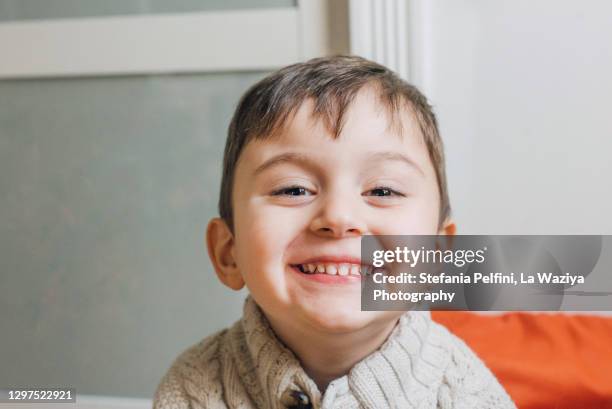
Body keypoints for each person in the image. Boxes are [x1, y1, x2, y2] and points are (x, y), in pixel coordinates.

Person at [153, 55, 516, 409]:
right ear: (227, 253)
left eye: (382, 191)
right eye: (293, 189)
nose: (338, 217)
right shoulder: (194, 386)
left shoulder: (466, 394)